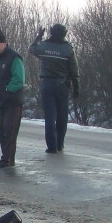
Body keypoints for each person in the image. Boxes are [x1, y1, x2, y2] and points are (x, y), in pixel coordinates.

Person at [30, 23, 80, 153]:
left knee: (50, 116)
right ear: (64, 33)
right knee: (62, 116)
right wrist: (76, 87)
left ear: (51, 32)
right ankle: (60, 144)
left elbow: (32, 49)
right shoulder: (68, 49)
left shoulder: (44, 46)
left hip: (47, 84)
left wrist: (38, 37)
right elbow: (74, 70)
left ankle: (51, 147)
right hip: (63, 85)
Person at [0, 28, 25, 168]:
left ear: (4, 43)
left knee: (10, 130)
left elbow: (19, 79)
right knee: (1, 130)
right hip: (0, 101)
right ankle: (5, 157)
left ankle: (9, 159)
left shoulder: (14, 58)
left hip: (12, 101)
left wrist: (8, 89)